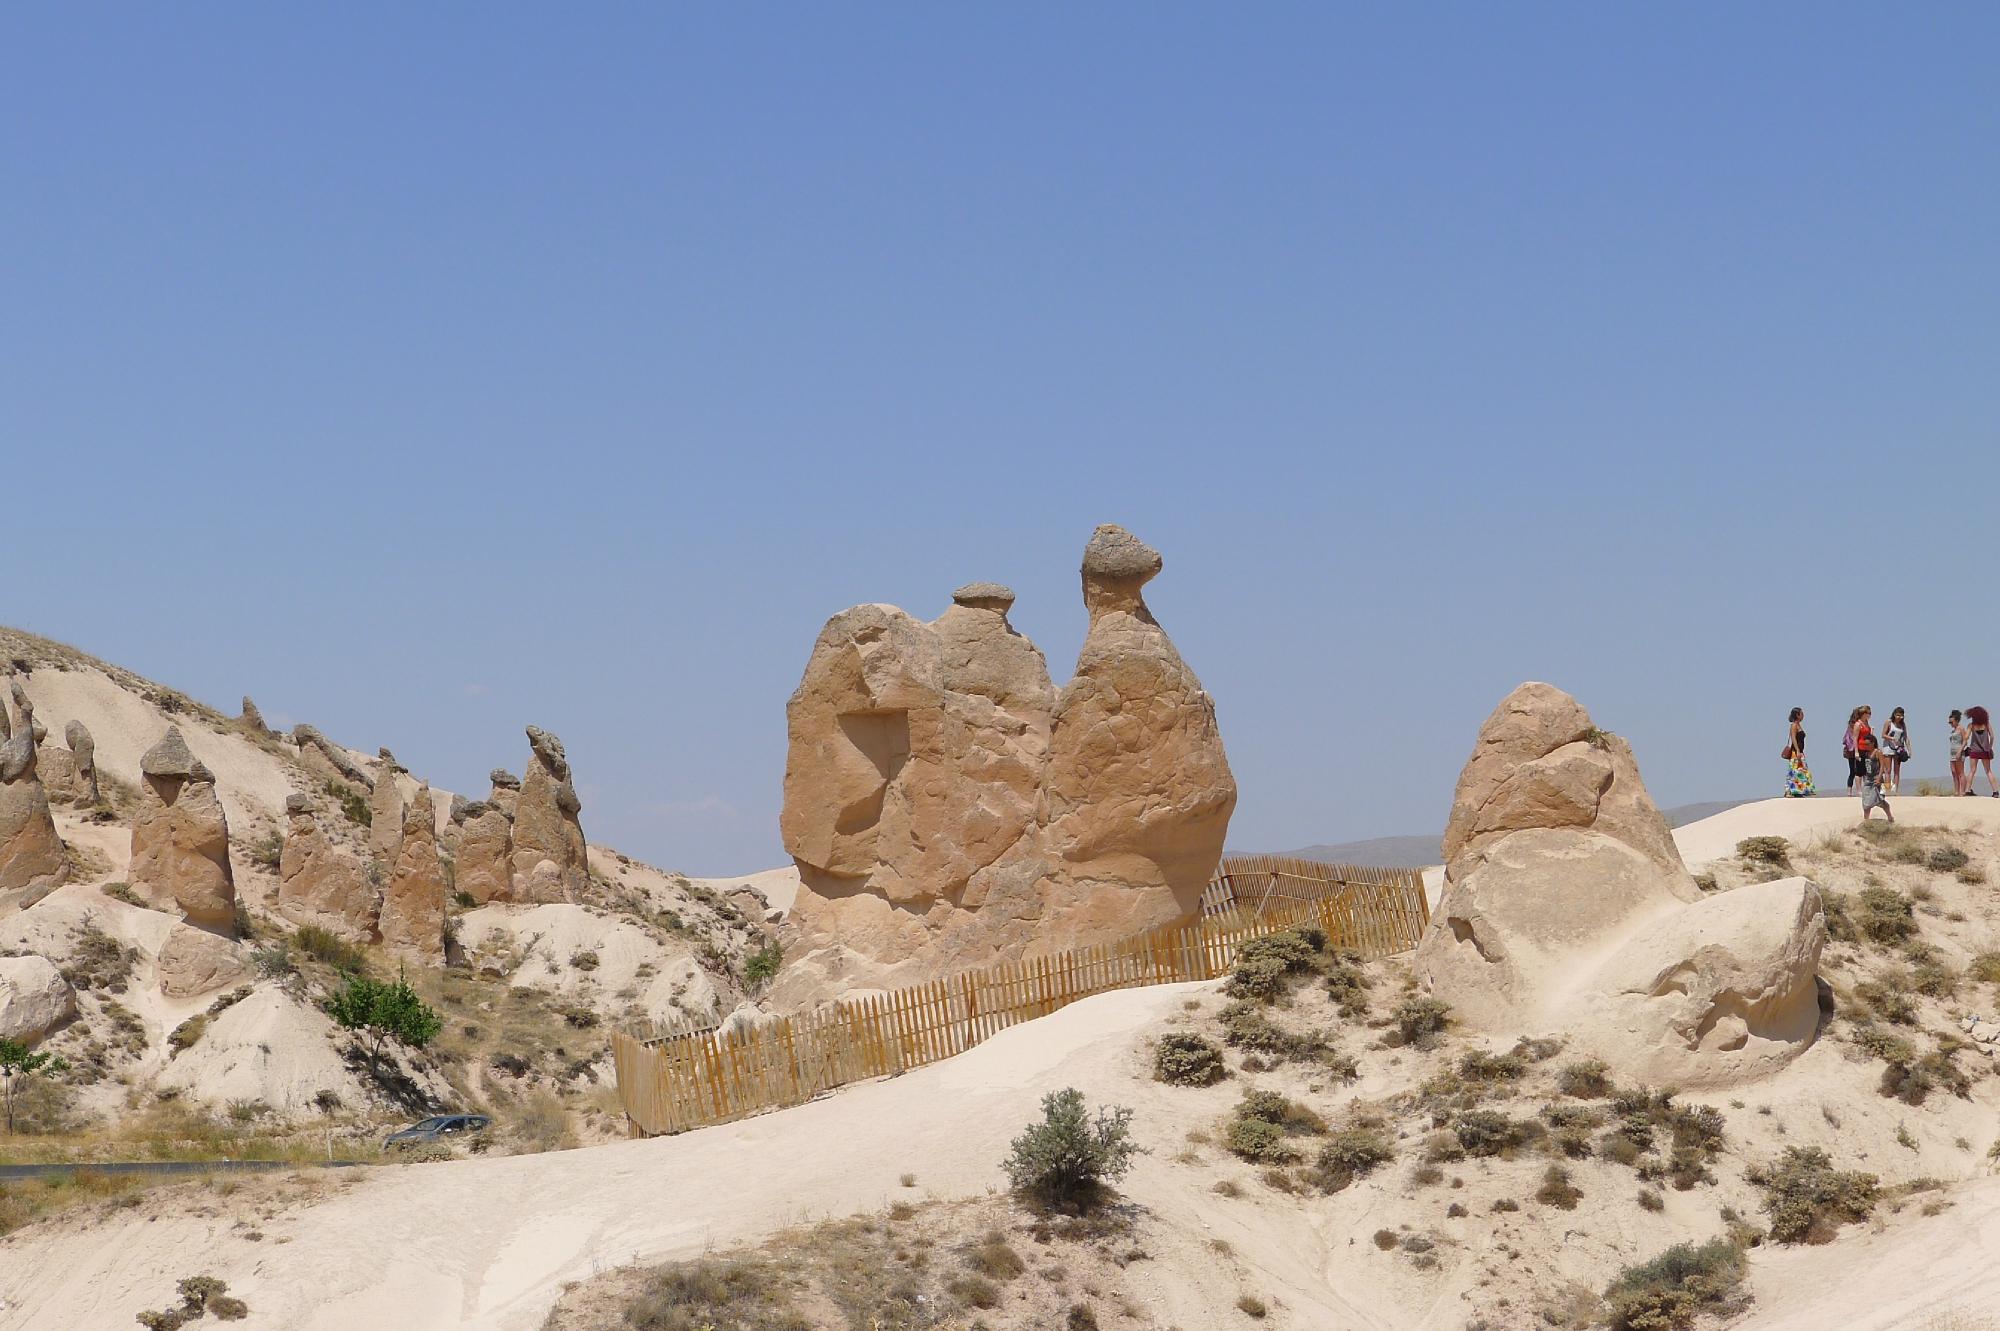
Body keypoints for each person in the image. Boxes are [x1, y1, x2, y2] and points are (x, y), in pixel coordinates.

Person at [1857, 728, 1893, 822]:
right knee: (1866, 801)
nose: (1866, 746)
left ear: (1873, 743)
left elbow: (1882, 766)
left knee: (1879, 800)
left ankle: (1889, 816)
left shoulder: (1878, 752)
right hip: (1868, 779)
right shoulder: (1866, 753)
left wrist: (1879, 777)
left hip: (1876, 779)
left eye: (1868, 744)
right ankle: (1866, 820)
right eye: (1865, 744)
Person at [1968, 706, 1999, 797]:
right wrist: (1989, 747)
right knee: (1988, 771)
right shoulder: (1986, 724)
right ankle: (1995, 791)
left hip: (1974, 750)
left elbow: (1966, 737)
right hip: (1985, 750)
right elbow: (1992, 736)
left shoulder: (1971, 725)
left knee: (1972, 771)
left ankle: (1967, 790)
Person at [1784, 706, 1815, 797]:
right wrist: (1797, 750)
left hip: (1800, 751)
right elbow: (1793, 738)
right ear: (1797, 715)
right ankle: (1788, 791)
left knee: (1802, 771)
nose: (1803, 715)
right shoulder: (1794, 725)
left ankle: (1800, 790)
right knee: (1793, 771)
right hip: (1795, 752)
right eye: (1801, 714)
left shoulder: (1799, 725)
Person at [1882, 706, 1911, 795]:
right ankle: (1888, 789)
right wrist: (1891, 738)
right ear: (1894, 714)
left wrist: (1909, 749)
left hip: (1899, 749)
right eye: (1898, 715)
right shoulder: (1889, 722)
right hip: (1888, 747)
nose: (1900, 717)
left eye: (1901, 715)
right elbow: (1883, 734)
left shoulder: (1902, 725)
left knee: (1897, 770)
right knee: (1888, 770)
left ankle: (1895, 790)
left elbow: (1906, 737)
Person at [1843, 706, 1866, 789]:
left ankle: (1850, 790)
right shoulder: (1857, 725)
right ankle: (1855, 789)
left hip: (1851, 750)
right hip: (1855, 750)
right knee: (1857, 771)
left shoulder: (1854, 725)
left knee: (1854, 771)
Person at [1949, 709, 1969, 796]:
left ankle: (1962, 791)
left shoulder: (1961, 728)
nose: (1950, 724)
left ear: (1956, 720)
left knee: (1960, 772)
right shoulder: (1953, 730)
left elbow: (1965, 741)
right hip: (1952, 753)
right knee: (1954, 772)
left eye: (1951, 722)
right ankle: (1956, 791)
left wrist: (1960, 751)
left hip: (1959, 752)